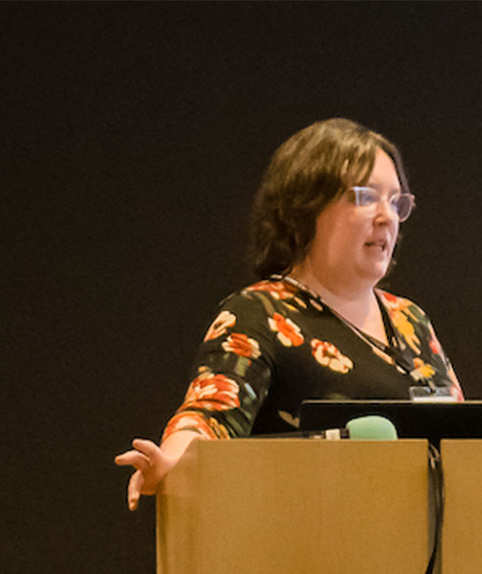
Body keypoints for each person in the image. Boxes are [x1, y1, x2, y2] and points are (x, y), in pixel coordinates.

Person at [115, 118, 463, 510]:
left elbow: (464, 442)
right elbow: (209, 417)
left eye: (397, 201)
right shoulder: (260, 313)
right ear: (304, 207)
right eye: (365, 197)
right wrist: (173, 462)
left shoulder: (410, 320)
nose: (387, 217)